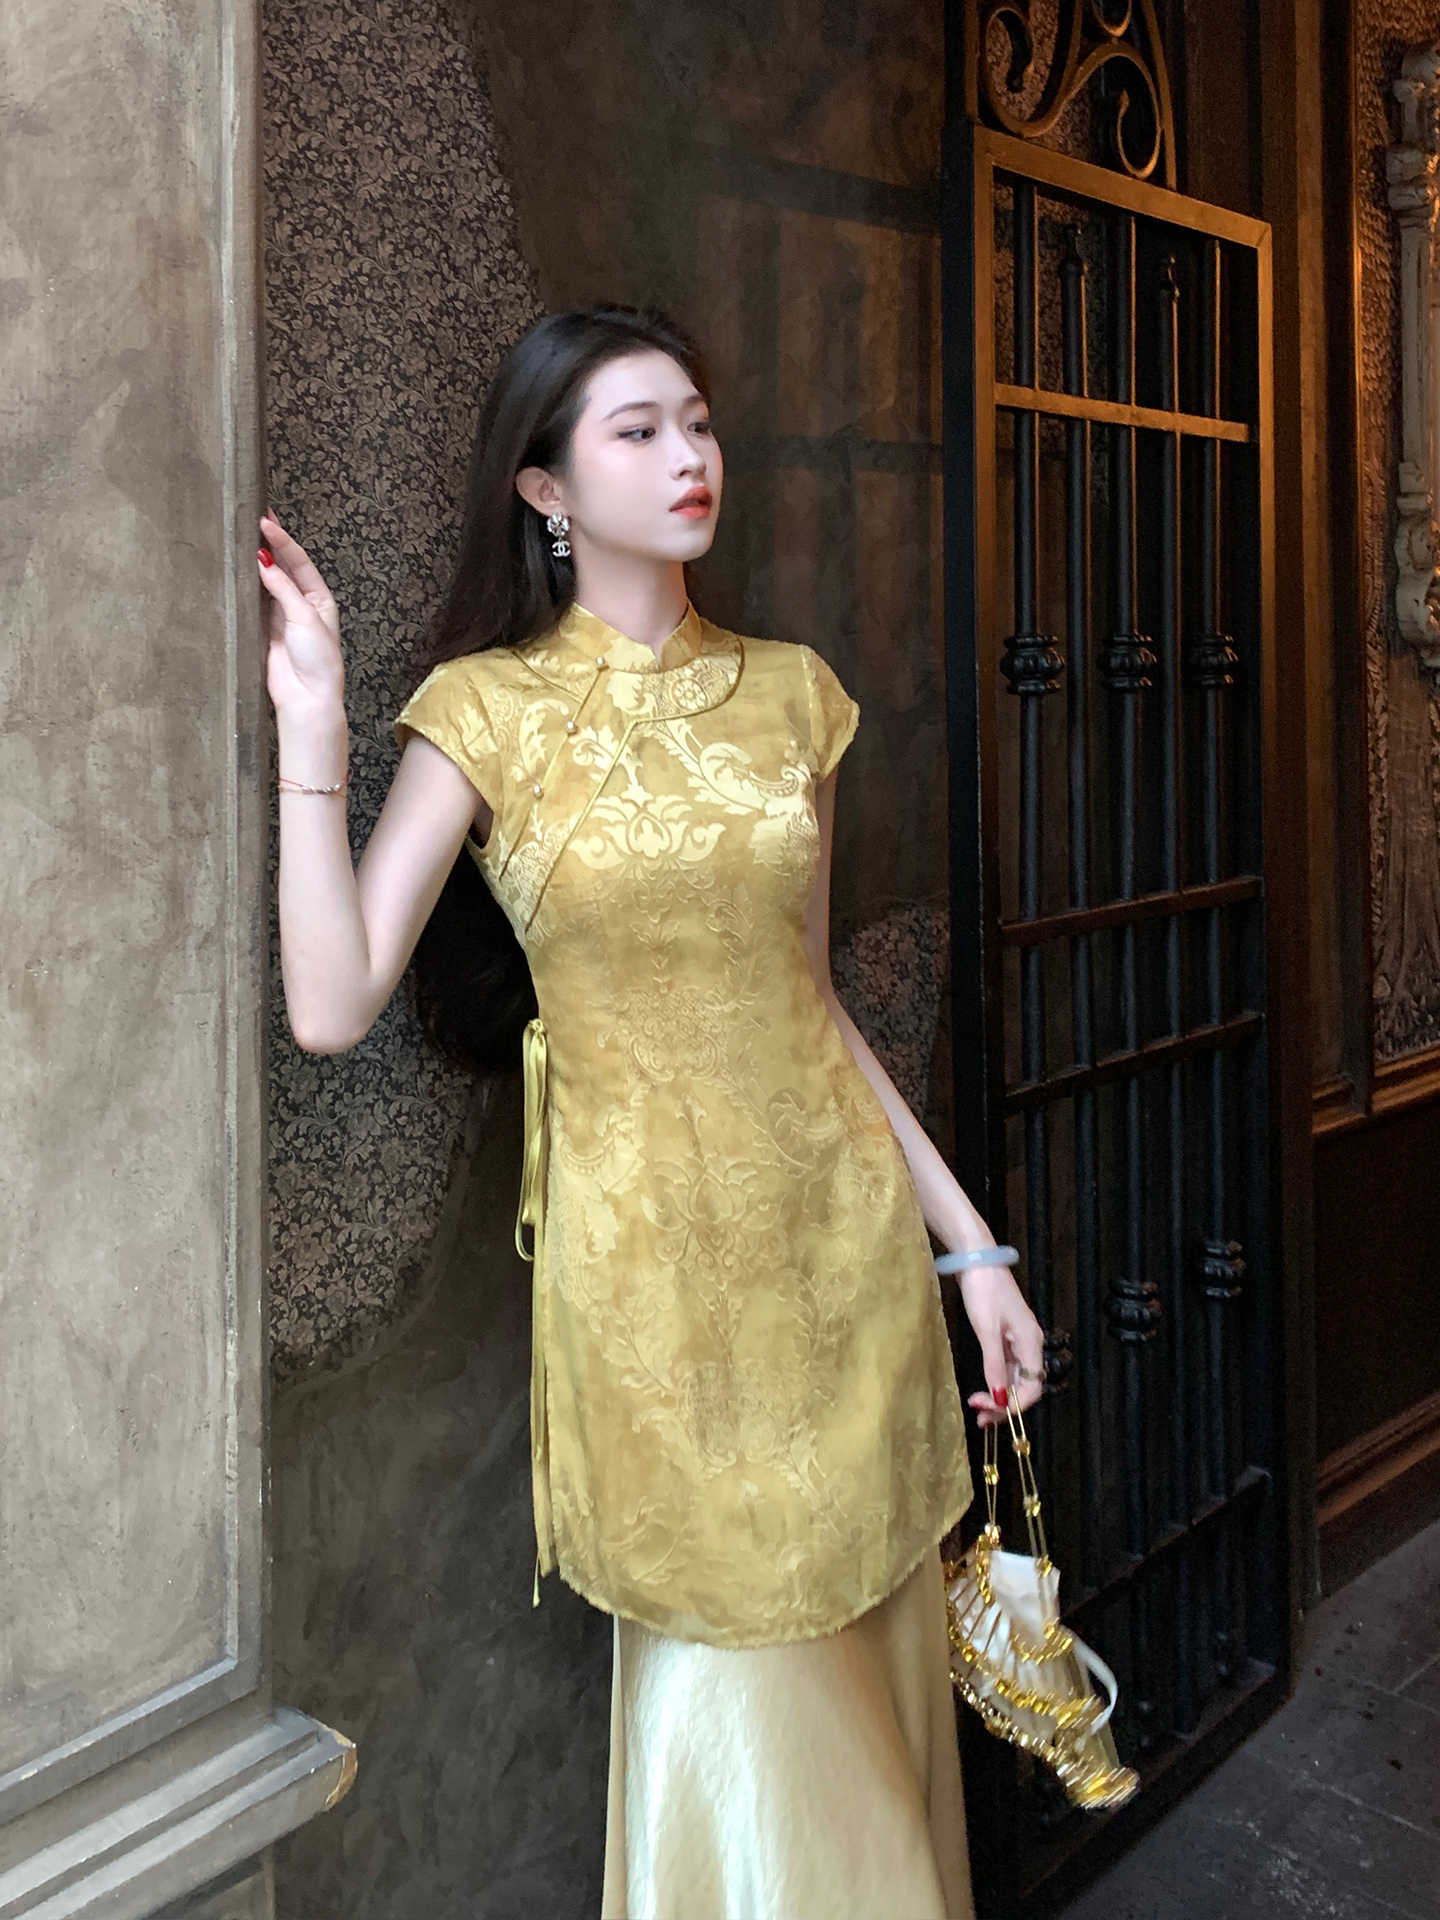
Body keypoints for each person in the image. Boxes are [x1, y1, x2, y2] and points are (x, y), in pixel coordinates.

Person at [257, 302, 1046, 1920]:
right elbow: (331, 1006)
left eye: (699, 421)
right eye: (639, 430)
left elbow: (811, 1006)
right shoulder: (486, 712)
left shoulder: (793, 696)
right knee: (751, 1727)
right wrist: (314, 727)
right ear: (545, 488)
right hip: (657, 1305)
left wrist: (971, 1253)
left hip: (844, 1276)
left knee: (870, 1691)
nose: (691, 456)